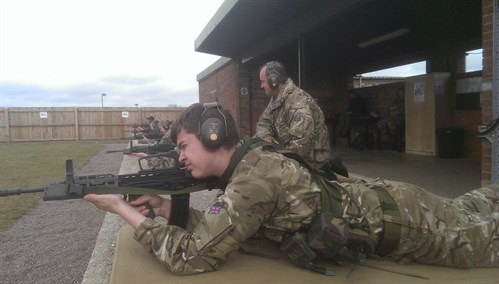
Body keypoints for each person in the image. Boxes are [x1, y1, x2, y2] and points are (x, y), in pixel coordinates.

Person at [84, 103, 499, 275]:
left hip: (403, 224)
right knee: (476, 202)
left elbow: (192, 256)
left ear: (212, 137)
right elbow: (224, 225)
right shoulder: (249, 165)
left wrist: (125, 211)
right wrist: (167, 207)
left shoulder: (252, 181)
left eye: (183, 146)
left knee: (485, 236)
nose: (179, 158)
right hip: (392, 202)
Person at [253, 61, 331, 170]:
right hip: (290, 158)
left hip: (312, 164)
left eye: (263, 82)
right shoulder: (276, 99)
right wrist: (267, 137)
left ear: (273, 81)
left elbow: (300, 147)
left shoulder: (298, 103)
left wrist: (273, 157)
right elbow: (263, 122)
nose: (261, 86)